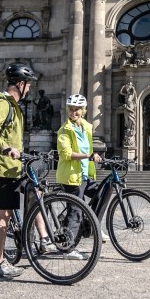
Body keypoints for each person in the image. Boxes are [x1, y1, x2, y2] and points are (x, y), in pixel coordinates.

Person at [0, 62, 55, 278]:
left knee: (36, 191)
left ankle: (43, 239)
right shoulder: (3, 104)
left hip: (16, 167)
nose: (30, 88)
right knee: (3, 215)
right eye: (28, 84)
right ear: (20, 84)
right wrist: (5, 147)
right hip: (5, 169)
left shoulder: (15, 107)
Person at [56, 94, 106, 260]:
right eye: (71, 108)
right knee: (75, 211)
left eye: (77, 109)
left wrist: (93, 154)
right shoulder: (64, 130)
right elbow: (66, 153)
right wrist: (88, 155)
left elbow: (89, 147)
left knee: (103, 191)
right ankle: (67, 249)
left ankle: (93, 224)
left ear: (83, 110)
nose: (73, 111)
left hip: (85, 174)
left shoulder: (86, 127)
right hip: (72, 176)